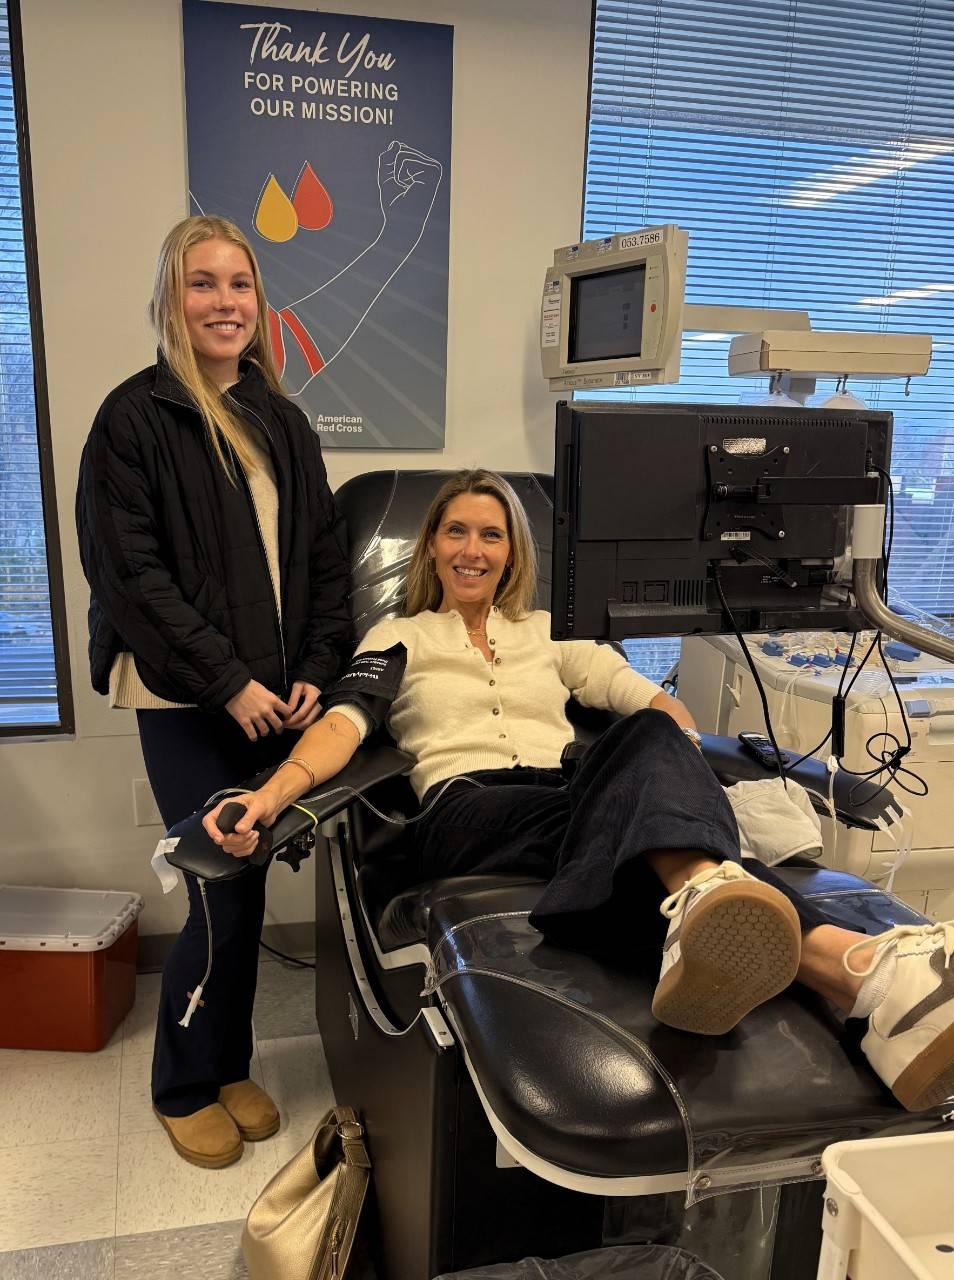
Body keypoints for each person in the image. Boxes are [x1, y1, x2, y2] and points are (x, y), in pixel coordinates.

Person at [204, 469, 954, 1115]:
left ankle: (844, 979)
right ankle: (865, 966)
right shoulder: (397, 637)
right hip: (466, 810)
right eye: (457, 532)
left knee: (653, 765)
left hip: (564, 800)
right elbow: (342, 726)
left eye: (491, 535)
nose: (473, 550)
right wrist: (274, 794)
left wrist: (682, 766)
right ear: (432, 544)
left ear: (512, 550)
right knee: (650, 831)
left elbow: (647, 702)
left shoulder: (547, 633)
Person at [76, 215, 352, 1168]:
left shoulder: (282, 418)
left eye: (240, 285)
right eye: (203, 284)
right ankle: (184, 1084)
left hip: (275, 694)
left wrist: (316, 666)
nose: (225, 302)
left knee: (245, 881)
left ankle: (227, 1061)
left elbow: (321, 557)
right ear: (170, 298)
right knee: (211, 893)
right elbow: (130, 578)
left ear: (259, 304)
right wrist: (227, 681)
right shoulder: (132, 419)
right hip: (183, 695)